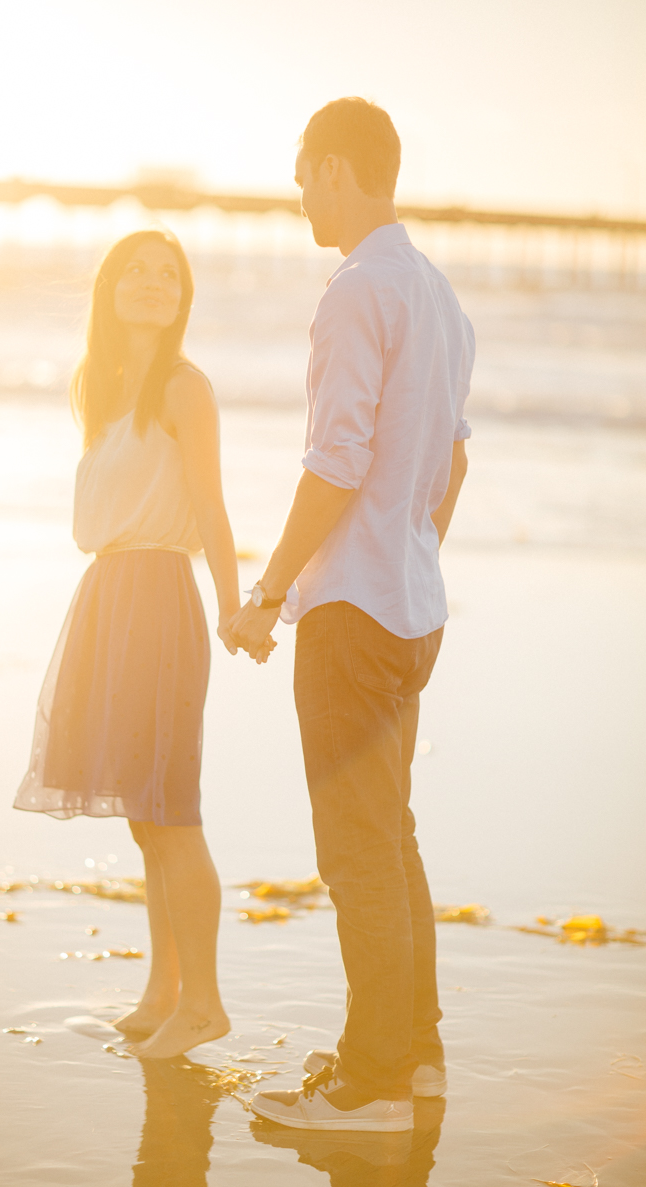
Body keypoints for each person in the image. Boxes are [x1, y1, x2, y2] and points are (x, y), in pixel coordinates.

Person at [232, 98, 475, 1131]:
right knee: (394, 839)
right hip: (411, 610)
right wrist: (411, 553)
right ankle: (412, 1057)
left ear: (336, 168)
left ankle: (368, 1079)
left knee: (357, 850)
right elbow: (450, 457)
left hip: (350, 615)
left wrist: (267, 588)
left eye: (300, 173)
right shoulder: (436, 294)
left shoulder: (354, 292)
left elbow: (335, 463)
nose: (295, 195)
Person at [14, 229, 271, 1059]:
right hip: (105, 597)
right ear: (110, 287)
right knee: (141, 814)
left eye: (171, 275)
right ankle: (164, 986)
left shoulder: (184, 390)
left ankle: (205, 1003)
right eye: (138, 270)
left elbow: (214, 510)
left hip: (159, 596)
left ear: (184, 298)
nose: (154, 283)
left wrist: (240, 608)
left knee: (170, 810)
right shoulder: (100, 386)